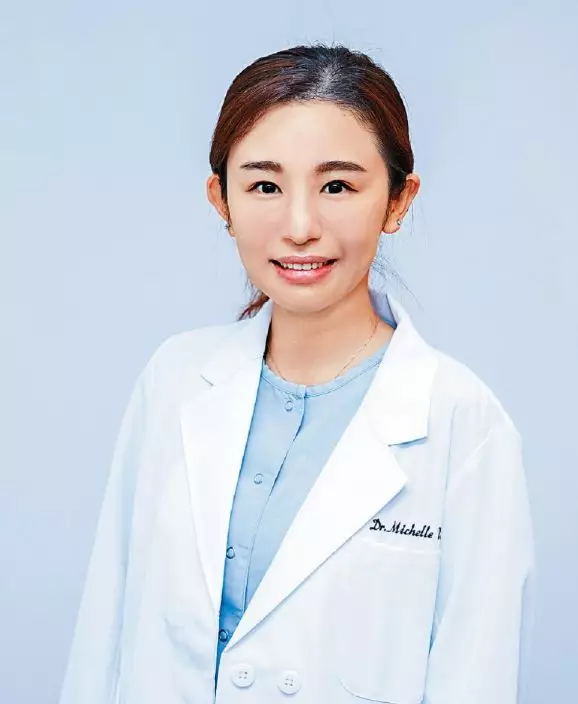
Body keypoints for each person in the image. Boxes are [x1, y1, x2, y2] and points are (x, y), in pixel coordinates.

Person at [59, 44, 535, 704]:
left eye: (337, 186)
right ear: (221, 200)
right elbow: (103, 641)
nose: (300, 225)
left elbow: (476, 678)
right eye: (264, 186)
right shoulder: (174, 380)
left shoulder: (464, 424)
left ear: (398, 200)